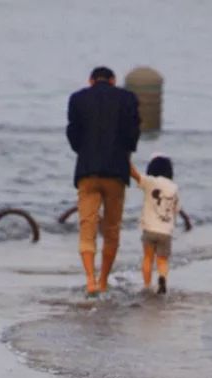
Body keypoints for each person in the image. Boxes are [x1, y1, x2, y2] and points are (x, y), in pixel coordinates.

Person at [66, 66, 141, 295]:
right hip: (116, 172)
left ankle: (90, 280)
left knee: (86, 227)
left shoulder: (77, 99)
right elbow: (133, 133)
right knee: (111, 229)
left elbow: (73, 133)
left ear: (90, 80)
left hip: (87, 171)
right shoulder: (127, 98)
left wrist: (85, 151)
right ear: (113, 80)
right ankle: (103, 280)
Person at [130, 155, 179, 294]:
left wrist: (125, 158)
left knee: (148, 258)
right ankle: (162, 278)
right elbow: (176, 209)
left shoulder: (150, 182)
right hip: (165, 232)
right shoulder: (174, 187)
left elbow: (135, 175)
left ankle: (147, 285)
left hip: (149, 229)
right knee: (162, 260)